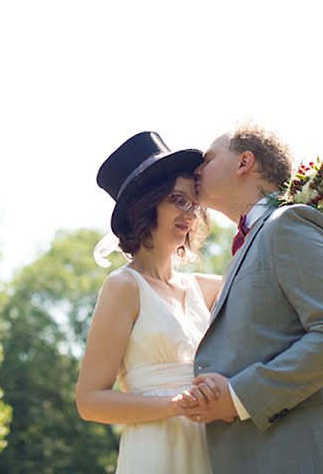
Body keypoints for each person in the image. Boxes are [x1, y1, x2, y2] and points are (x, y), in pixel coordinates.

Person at [178, 123, 323, 473]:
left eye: (208, 159)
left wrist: (237, 398)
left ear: (244, 162)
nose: (197, 170)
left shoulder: (290, 222)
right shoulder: (250, 245)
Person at [75, 131, 223, 474]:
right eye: (178, 199)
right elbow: (90, 401)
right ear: (146, 204)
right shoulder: (124, 286)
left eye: (194, 203)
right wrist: (176, 406)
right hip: (155, 450)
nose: (190, 213)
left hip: (213, 447)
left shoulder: (207, 288)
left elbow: (265, 277)